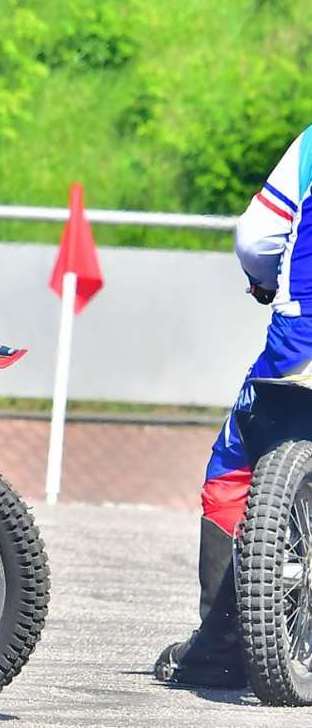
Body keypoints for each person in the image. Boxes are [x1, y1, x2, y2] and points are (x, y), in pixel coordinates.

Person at [153, 124, 312, 687]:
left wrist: (263, 282)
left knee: (234, 466)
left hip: (302, 347)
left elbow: (257, 236)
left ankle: (222, 650)